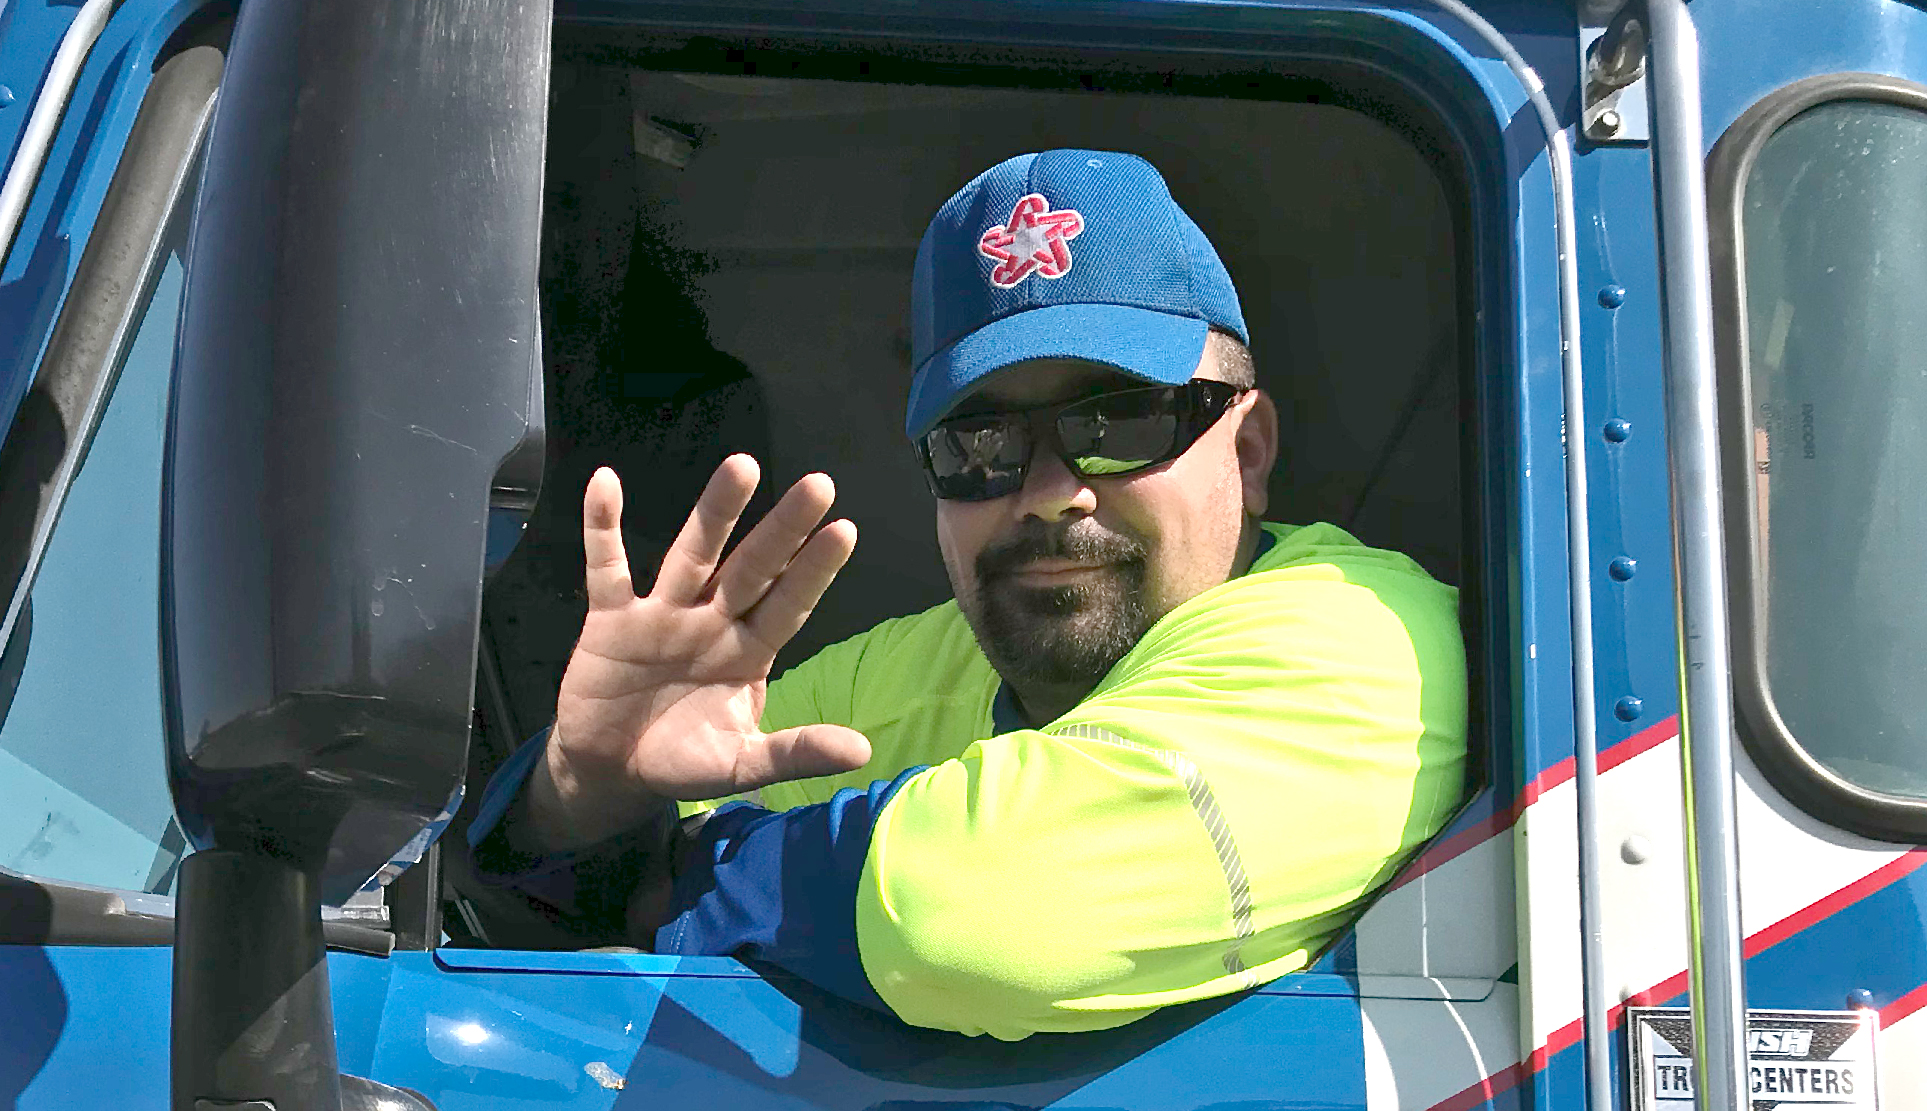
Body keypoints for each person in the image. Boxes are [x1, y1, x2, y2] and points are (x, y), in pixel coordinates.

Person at [468, 149, 1468, 1040]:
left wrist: (681, 871)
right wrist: (586, 787)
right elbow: (559, 910)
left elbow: (980, 916)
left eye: (1118, 420)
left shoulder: (1368, 641)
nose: (1048, 492)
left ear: (1247, 452)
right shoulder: (919, 661)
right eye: (980, 443)